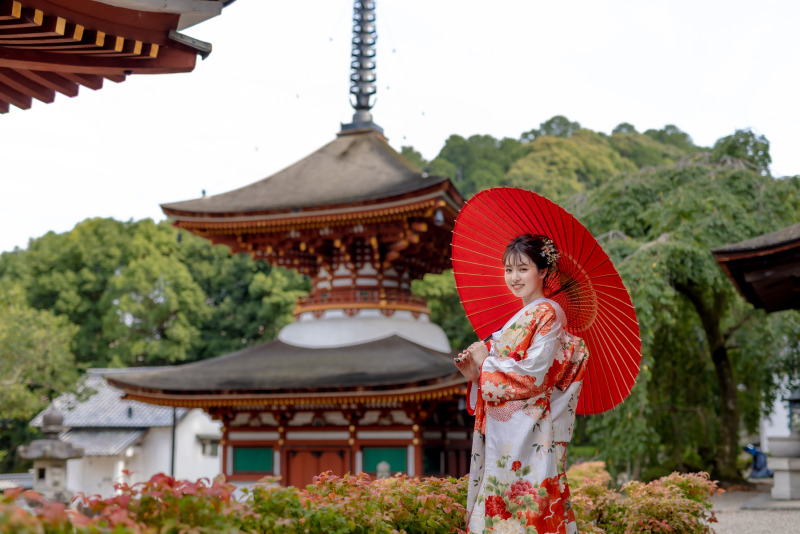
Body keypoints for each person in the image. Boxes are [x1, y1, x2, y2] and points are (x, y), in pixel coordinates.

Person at [454, 233, 589, 534]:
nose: (514, 277)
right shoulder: (517, 319)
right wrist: (475, 375)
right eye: (508, 269)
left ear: (543, 272)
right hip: (505, 429)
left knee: (528, 514)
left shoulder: (549, 313)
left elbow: (535, 374)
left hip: (530, 434)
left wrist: (485, 362)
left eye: (523, 268)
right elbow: (503, 376)